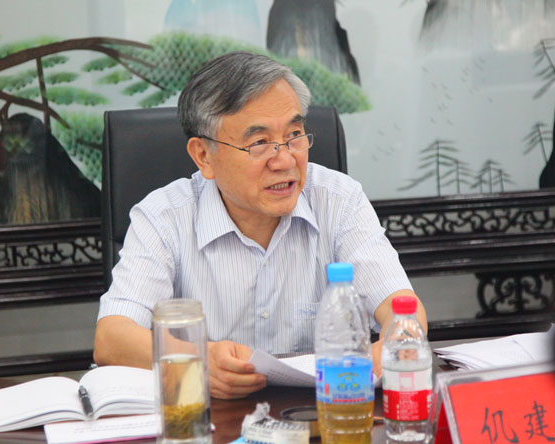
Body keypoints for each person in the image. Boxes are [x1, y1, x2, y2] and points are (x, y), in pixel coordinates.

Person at [93, 51, 428, 400]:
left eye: (295, 134)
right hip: (210, 419)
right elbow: (111, 338)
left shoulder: (339, 199)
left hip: (323, 411)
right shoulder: (164, 216)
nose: (284, 160)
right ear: (204, 156)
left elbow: (403, 308)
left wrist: (394, 344)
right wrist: (198, 359)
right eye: (259, 143)